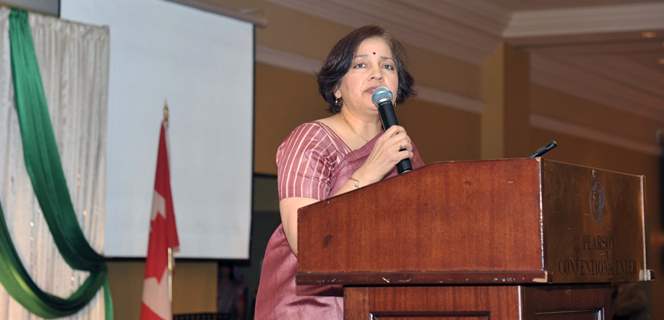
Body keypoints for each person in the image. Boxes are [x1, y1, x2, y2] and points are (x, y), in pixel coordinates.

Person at [254, 25, 425, 319]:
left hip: (377, 306)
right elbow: (303, 241)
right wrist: (369, 172)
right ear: (336, 87)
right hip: (308, 308)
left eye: (387, 65)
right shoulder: (309, 140)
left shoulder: (403, 149)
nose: (377, 73)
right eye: (361, 64)